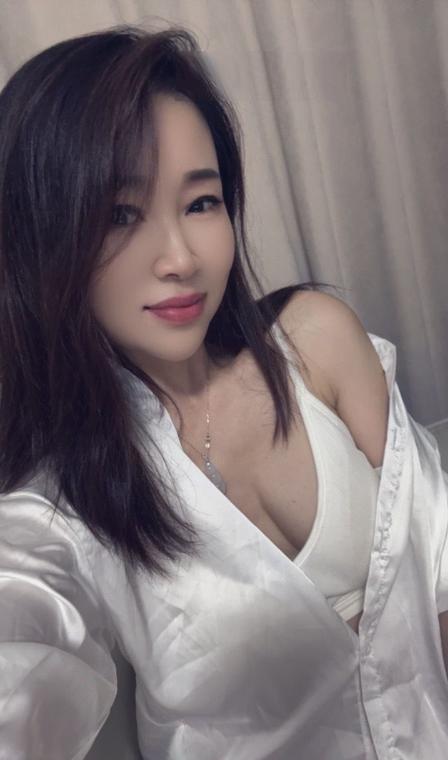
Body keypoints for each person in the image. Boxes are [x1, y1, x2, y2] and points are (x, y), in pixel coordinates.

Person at [0, 25, 447, 760]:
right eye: (119, 215)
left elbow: (436, 564)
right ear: (42, 239)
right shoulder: (62, 501)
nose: (180, 258)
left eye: (201, 203)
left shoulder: (314, 340)